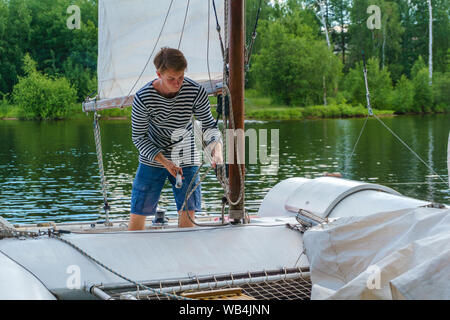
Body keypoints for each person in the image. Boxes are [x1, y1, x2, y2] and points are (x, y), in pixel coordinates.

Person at [128, 47, 223, 230]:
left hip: (185, 152)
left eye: (180, 77)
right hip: (153, 155)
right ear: (159, 74)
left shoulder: (195, 91)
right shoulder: (143, 97)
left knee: (188, 211)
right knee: (138, 211)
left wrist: (216, 152)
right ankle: (134, 245)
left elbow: (209, 127)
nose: (177, 83)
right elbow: (139, 137)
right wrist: (165, 162)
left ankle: (186, 248)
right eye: (171, 79)